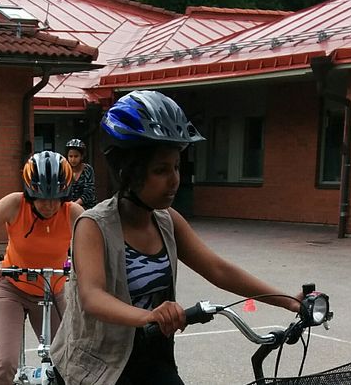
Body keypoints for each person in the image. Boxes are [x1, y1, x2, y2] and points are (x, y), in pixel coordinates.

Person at [50, 91, 302, 385]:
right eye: (160, 170)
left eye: (177, 167)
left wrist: (288, 302)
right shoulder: (94, 225)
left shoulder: (167, 221)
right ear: (128, 172)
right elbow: (93, 297)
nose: (174, 179)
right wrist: (148, 316)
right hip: (99, 366)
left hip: (153, 357)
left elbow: (218, 269)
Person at [0, 151, 84, 385]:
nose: (49, 205)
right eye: (42, 198)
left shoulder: (73, 213)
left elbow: (96, 246)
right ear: (30, 192)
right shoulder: (14, 204)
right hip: (11, 289)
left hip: (52, 292)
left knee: (68, 362)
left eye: (56, 198)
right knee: (6, 363)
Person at [65, 138, 96, 210]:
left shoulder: (87, 169)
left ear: (81, 156)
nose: (73, 159)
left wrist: (74, 205)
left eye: (76, 156)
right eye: (70, 156)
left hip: (87, 208)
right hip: (68, 208)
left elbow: (89, 192)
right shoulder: (65, 170)